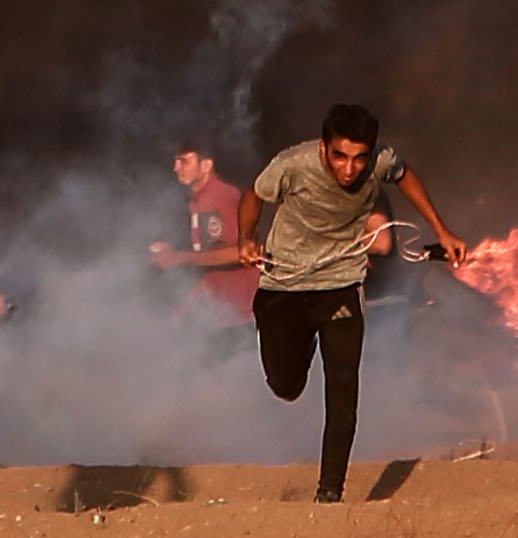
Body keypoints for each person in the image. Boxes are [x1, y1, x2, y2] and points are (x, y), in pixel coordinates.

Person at [241, 107, 462, 505]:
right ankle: (301, 341)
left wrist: (442, 231)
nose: (350, 169)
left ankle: (330, 492)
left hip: (341, 283)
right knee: (285, 386)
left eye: (360, 158)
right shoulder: (292, 165)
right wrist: (246, 238)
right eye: (340, 156)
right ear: (325, 148)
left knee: (343, 387)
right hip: (285, 285)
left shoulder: (381, 162)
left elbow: (405, 175)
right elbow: (254, 196)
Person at [151, 145, 260, 327]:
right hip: (226, 314)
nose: (176, 167)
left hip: (246, 315)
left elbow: (240, 252)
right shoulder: (198, 201)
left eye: (184, 161)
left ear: (206, 165)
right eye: (176, 161)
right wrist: (186, 306)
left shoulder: (219, 196)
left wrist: (178, 258)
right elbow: (212, 265)